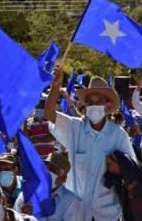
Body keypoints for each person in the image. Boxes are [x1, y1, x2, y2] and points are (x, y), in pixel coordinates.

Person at [45, 65, 135, 221]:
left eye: (99, 101)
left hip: (107, 212)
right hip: (75, 212)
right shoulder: (74, 127)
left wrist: (119, 167)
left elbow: (133, 171)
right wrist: (56, 85)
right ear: (85, 105)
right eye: (91, 102)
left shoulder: (118, 135)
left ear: (108, 105)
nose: (95, 105)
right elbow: (49, 113)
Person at [15, 151, 82, 221]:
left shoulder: (70, 201)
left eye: (53, 170)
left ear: (63, 179)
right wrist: (21, 216)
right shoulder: (23, 196)